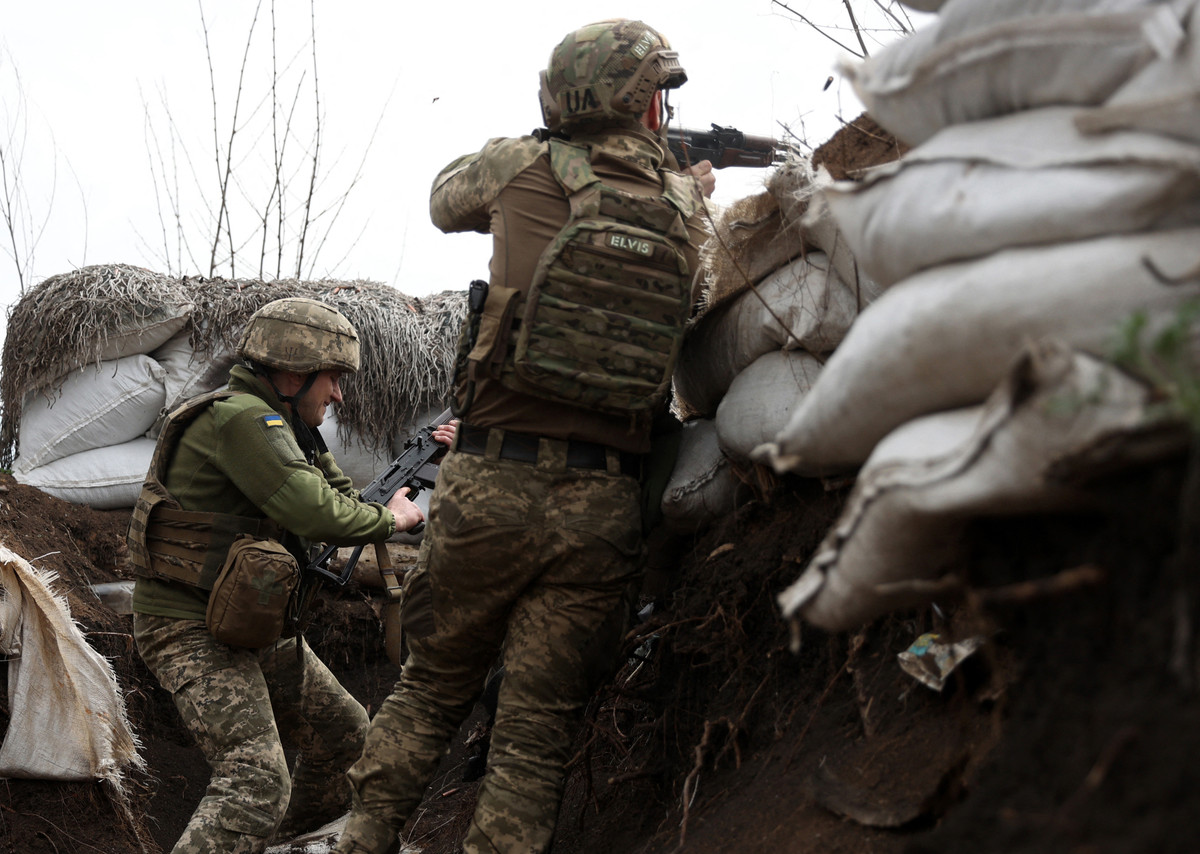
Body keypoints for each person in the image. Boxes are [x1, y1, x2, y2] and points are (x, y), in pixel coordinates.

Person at [335, 19, 714, 854]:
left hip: (487, 487)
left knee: (432, 686)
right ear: (645, 104)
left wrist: (529, 150)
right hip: (603, 503)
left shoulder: (519, 167)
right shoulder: (687, 205)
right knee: (536, 729)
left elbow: (443, 202)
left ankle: (361, 839)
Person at [126, 297, 454, 854]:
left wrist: (400, 491)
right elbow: (315, 512)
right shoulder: (241, 419)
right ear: (295, 371)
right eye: (332, 379)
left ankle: (283, 843)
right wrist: (392, 520)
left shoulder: (289, 427)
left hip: (249, 620)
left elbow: (343, 497)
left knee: (346, 737)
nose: (339, 394)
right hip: (188, 625)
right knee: (254, 780)